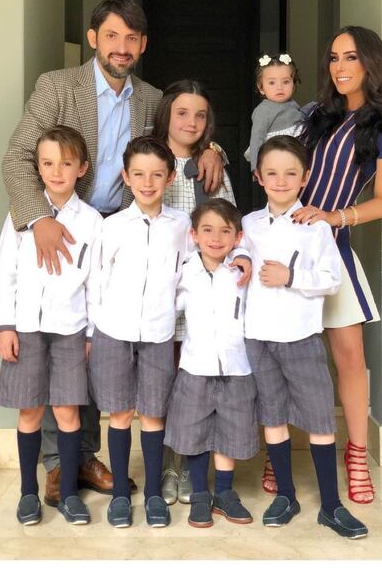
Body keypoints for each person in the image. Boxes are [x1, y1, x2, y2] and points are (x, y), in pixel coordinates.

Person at [1, 0, 226, 506]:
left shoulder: (150, 98)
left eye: (131, 38)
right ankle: (60, 464)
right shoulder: (57, 87)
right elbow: (16, 158)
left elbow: (181, 136)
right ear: (93, 38)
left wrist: (212, 148)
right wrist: (41, 219)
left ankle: (84, 456)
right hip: (66, 224)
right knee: (63, 339)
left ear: (142, 45)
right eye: (112, 36)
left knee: (96, 349)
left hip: (124, 228)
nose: (121, 47)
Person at [292, 25, 382, 504]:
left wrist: (333, 216)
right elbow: (273, 158)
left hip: (333, 247)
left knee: (350, 358)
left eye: (351, 57)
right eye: (334, 57)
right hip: (286, 247)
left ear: (371, 63)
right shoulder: (313, 115)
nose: (339, 67)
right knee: (287, 355)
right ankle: (280, 454)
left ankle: (356, 455)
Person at [243, 135, 368, 539]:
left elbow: (332, 280)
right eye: (272, 173)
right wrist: (241, 259)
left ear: (305, 178)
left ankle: (331, 505)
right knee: (273, 416)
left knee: (318, 417)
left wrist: (290, 276)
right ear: (259, 177)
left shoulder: (316, 227)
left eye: (290, 173)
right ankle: (287, 496)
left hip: (300, 336)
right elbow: (237, 256)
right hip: (259, 336)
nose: (280, 181)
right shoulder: (249, 224)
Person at [0, 126, 102, 525]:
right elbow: (5, 273)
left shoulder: (92, 221)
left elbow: (95, 284)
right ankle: (28, 493)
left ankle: (69, 494)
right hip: (26, 328)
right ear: (38, 168)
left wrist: (90, 333)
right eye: (48, 163)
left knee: (68, 412)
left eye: (66, 163)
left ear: (81, 168)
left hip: (71, 329)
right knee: (30, 412)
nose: (57, 172)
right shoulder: (21, 215)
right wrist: (5, 326)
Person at [88, 136, 192, 528]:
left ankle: (152, 495)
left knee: (153, 413)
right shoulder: (112, 226)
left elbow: (189, 274)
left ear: (170, 178)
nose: (148, 183)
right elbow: (97, 280)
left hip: (159, 333)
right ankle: (120, 495)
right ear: (126, 177)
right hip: (114, 331)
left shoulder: (181, 225)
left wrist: (172, 308)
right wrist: (95, 328)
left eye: (157, 175)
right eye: (139, 174)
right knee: (119, 413)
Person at [152, 79, 237, 504]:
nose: (191, 122)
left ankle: (191, 464)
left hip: (205, 296)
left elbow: (230, 224)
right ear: (166, 114)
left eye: (200, 115)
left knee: (198, 387)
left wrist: (215, 150)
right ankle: (169, 464)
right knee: (167, 384)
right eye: (182, 113)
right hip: (164, 292)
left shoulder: (213, 166)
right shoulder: (152, 163)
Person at [164, 198, 257, 528]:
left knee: (230, 431)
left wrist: (244, 256)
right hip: (196, 365)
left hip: (237, 366)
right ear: (194, 235)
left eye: (225, 231)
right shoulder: (185, 270)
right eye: (207, 230)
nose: (216, 238)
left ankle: (225, 493)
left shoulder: (242, 271)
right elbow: (169, 305)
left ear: (237, 237)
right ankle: (200, 494)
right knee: (195, 431)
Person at [245, 52, 304, 174]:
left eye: (286, 82)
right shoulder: (263, 110)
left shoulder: (293, 105)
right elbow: (256, 138)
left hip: (295, 154)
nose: (279, 87)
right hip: (275, 155)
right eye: (272, 83)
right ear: (261, 88)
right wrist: (256, 167)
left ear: (293, 85)